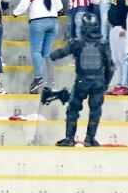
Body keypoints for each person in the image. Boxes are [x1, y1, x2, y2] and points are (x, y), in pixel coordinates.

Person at [46, 12, 112, 147]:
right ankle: (90, 139)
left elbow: (62, 52)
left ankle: (69, 139)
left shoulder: (77, 43)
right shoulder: (102, 45)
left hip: (82, 82)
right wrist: (105, 83)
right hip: (98, 83)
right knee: (95, 112)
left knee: (73, 109)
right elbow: (110, 67)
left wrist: (50, 56)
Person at [13, 0, 62, 94]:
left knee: (36, 50)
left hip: (38, 20)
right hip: (53, 21)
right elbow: (60, 6)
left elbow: (24, 4)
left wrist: (15, 12)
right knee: (47, 53)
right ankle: (50, 80)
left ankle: (39, 77)